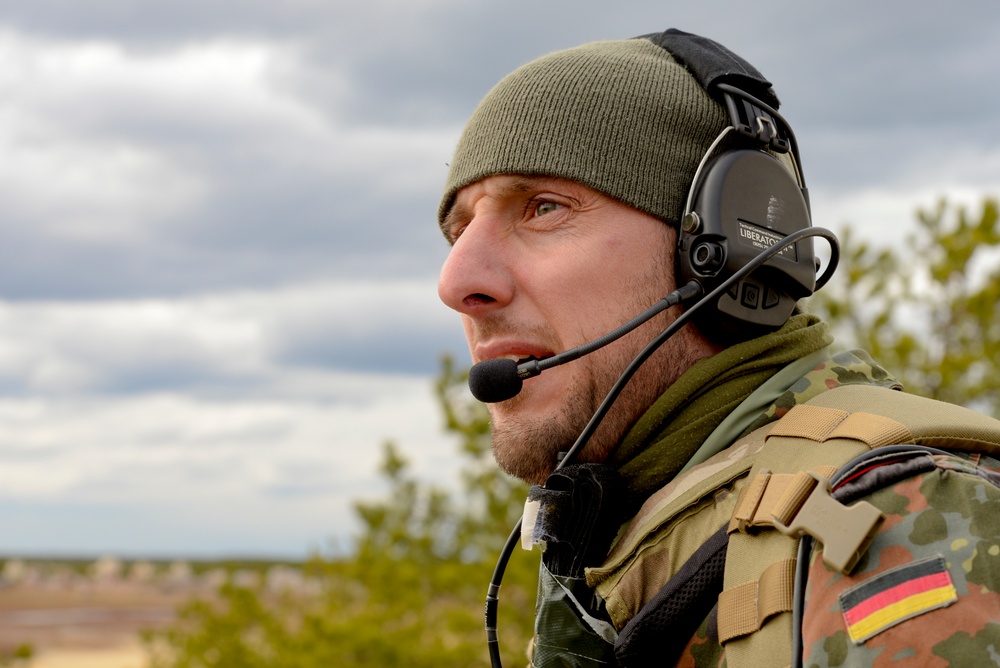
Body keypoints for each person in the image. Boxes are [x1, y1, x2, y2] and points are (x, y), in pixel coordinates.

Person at [436, 28, 1000, 668]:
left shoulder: (896, 527)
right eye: (458, 230)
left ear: (726, 250)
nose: (457, 282)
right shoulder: (644, 533)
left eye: (542, 207)